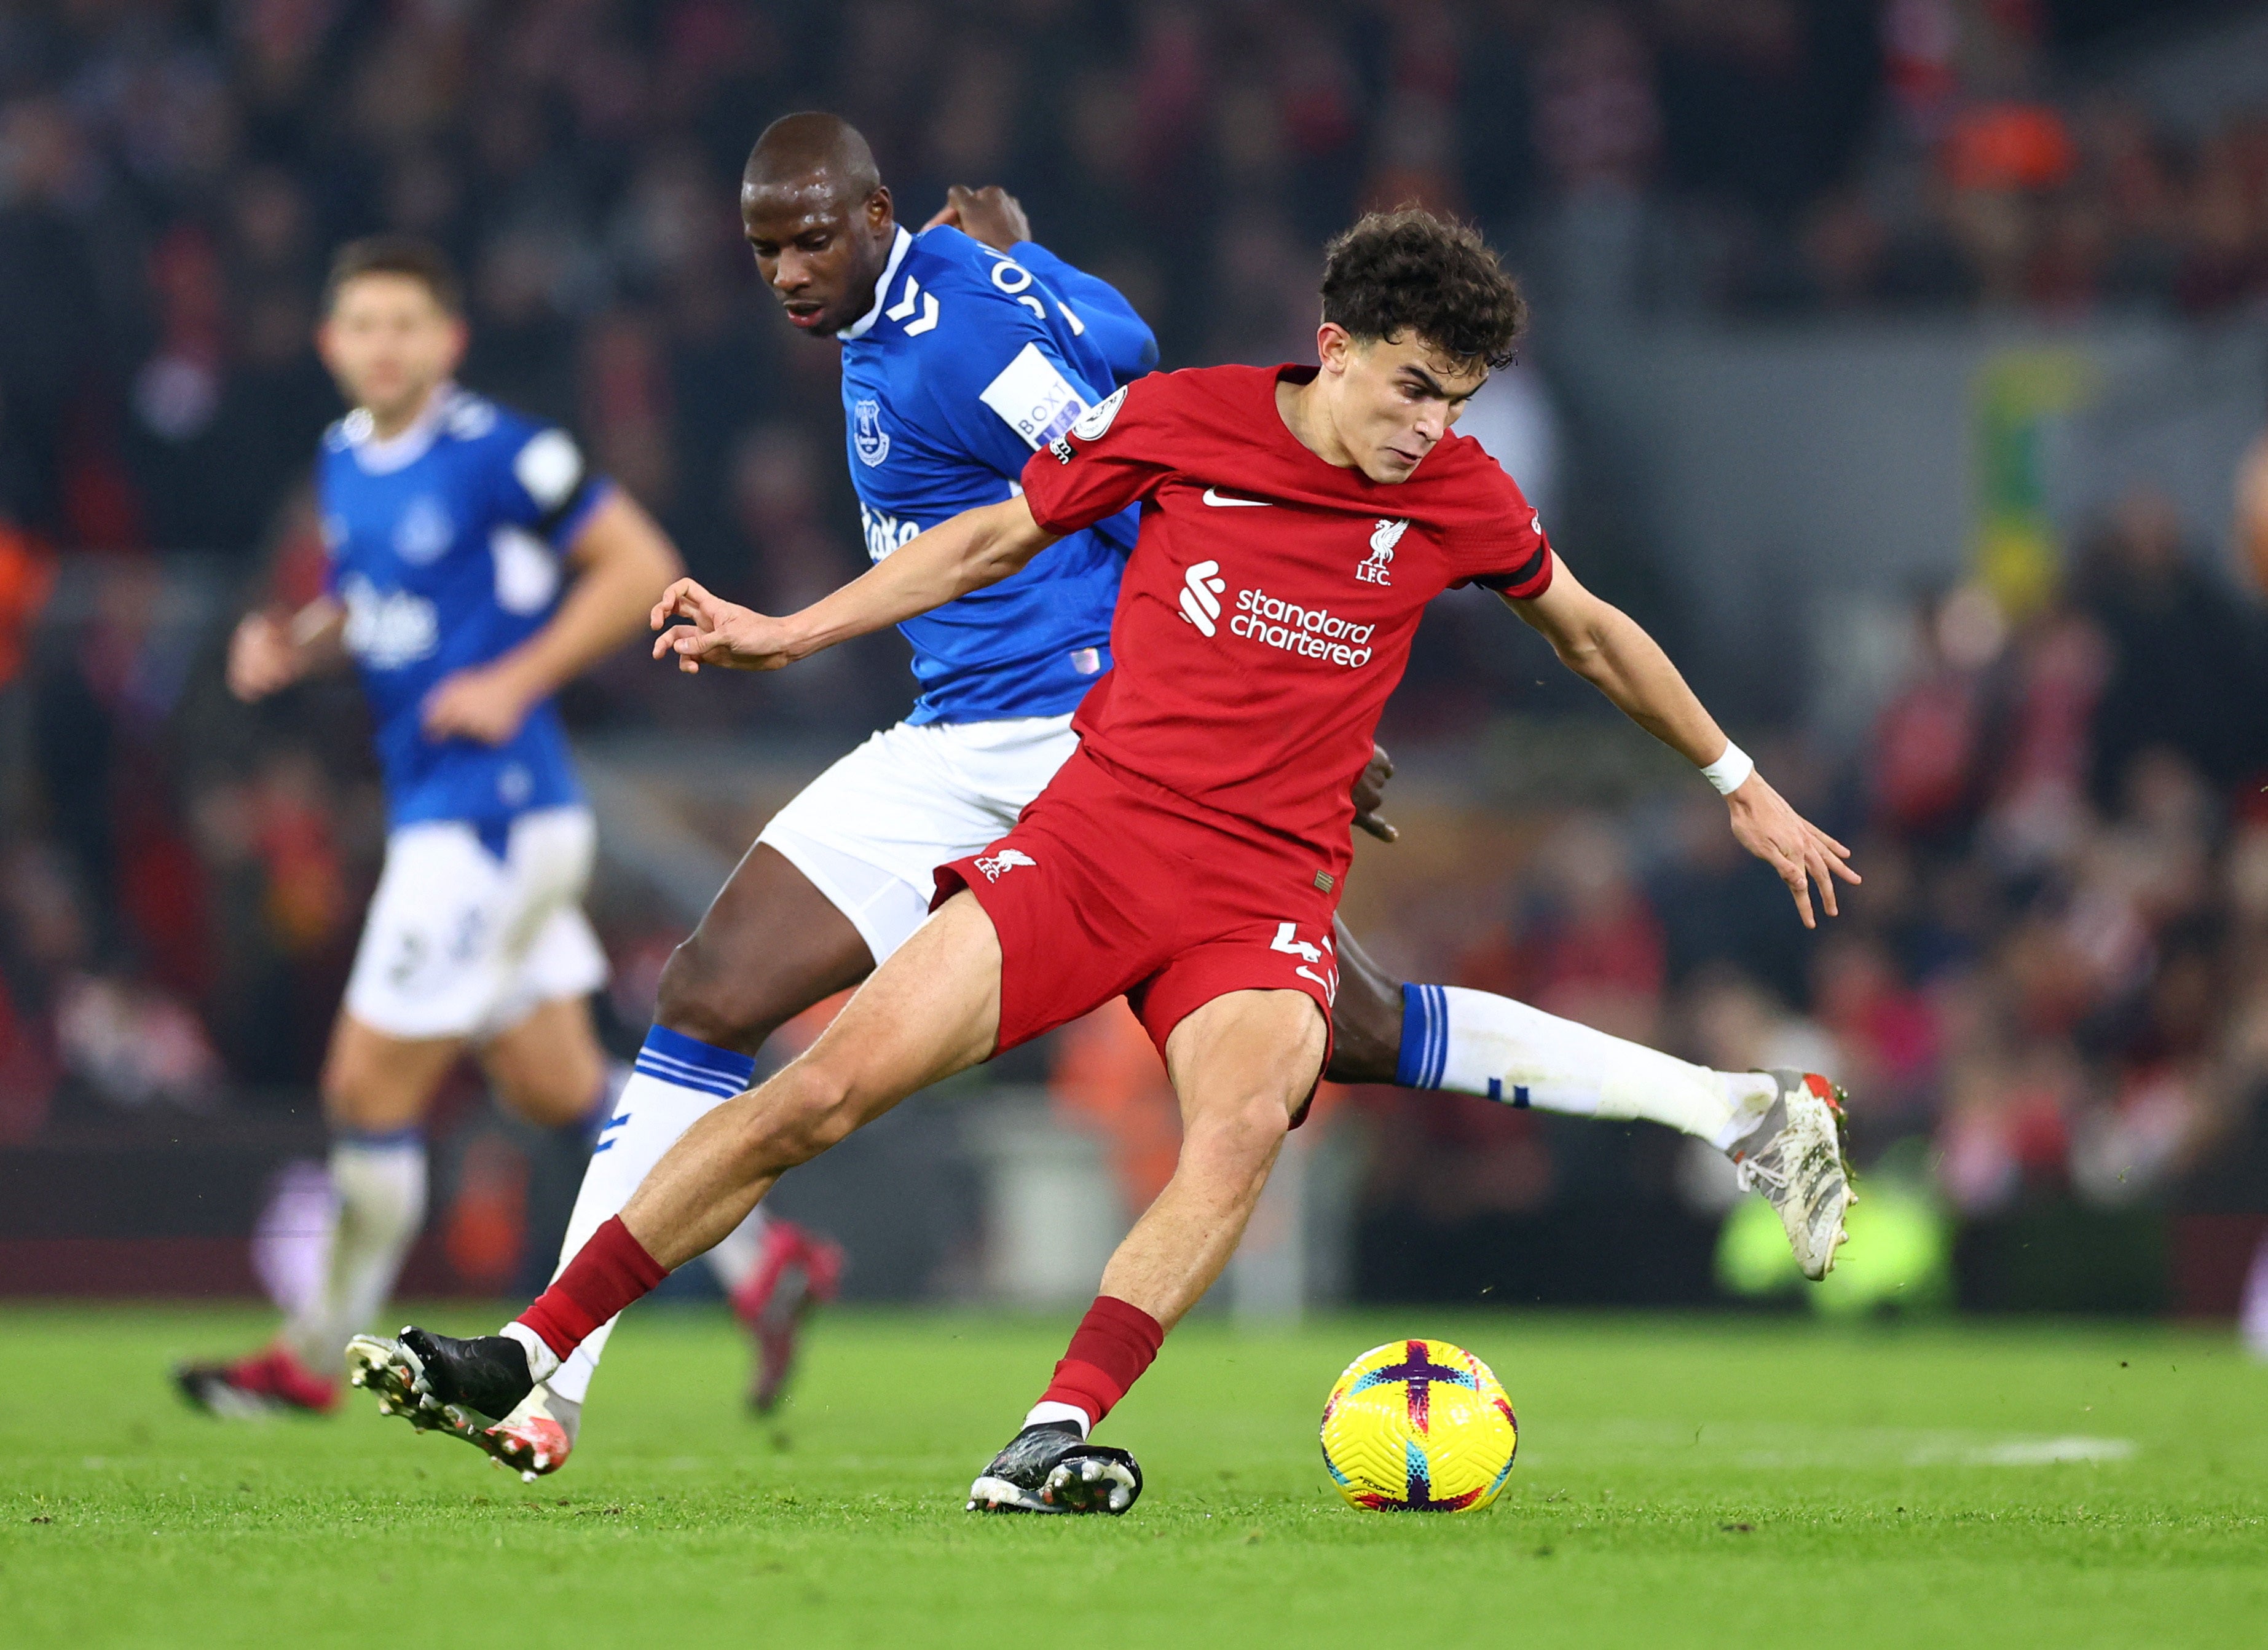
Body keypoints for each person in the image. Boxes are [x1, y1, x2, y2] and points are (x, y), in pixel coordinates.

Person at [376, 114, 1854, 1485]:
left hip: (1229, 860)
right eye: (1413, 389)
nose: (1431, 429)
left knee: (1248, 1120)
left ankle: (1051, 1435)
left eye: (1457, 402)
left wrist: (1739, 783)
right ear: (1332, 348)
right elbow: (997, 530)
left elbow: (1587, 629)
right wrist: (786, 630)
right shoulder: (1182, 421)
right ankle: (530, 1354)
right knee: (816, 1083)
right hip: (1089, 826)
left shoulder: (1456, 493)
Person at [173, 237, 683, 1416]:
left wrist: (515, 680)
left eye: (408, 324)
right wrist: (301, 643)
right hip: (450, 814)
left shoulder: (499, 451)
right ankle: (768, 1266)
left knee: (363, 1089)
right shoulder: (348, 461)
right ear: (331, 344)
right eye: (364, 325)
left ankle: (310, 1358)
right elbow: (389, 607)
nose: (385, 345)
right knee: (565, 1088)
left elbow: (639, 564)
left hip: (489, 816)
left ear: (448, 342)